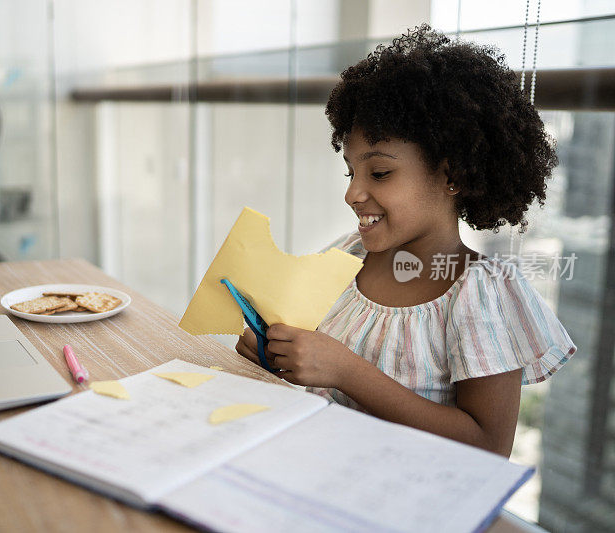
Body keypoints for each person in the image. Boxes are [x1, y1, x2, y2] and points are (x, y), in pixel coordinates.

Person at [234, 24, 576, 458]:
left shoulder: (482, 294)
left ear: (451, 175)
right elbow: (318, 377)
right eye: (350, 171)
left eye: (379, 173)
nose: (352, 193)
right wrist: (277, 354)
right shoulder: (347, 257)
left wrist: (346, 370)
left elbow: (489, 447)